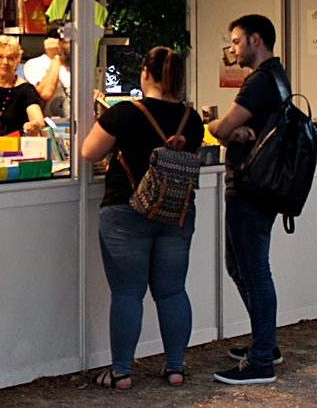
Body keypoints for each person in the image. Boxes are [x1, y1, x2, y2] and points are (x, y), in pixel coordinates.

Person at [80, 47, 204, 390]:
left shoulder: (124, 113)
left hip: (127, 210)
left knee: (127, 293)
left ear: (145, 74)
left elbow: (89, 151)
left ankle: (121, 372)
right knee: (173, 291)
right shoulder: (191, 119)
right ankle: (175, 367)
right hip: (176, 212)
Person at [207, 14, 286, 385]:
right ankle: (263, 343)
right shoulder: (278, 76)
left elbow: (221, 128)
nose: (232, 49)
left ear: (256, 40)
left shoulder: (258, 82)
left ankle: (261, 359)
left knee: (251, 270)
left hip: (249, 187)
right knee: (243, 267)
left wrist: (218, 128)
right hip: (263, 187)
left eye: (236, 41)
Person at [0, 35, 45, 136]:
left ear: (17, 62)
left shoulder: (25, 90)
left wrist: (33, 126)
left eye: (11, 58)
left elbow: (39, 122)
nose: (5, 62)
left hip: (14, 148)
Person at [23, 19, 71, 119]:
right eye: (70, 41)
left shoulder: (76, 66)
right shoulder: (34, 64)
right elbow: (46, 92)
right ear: (58, 42)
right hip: (49, 130)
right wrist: (56, 57)